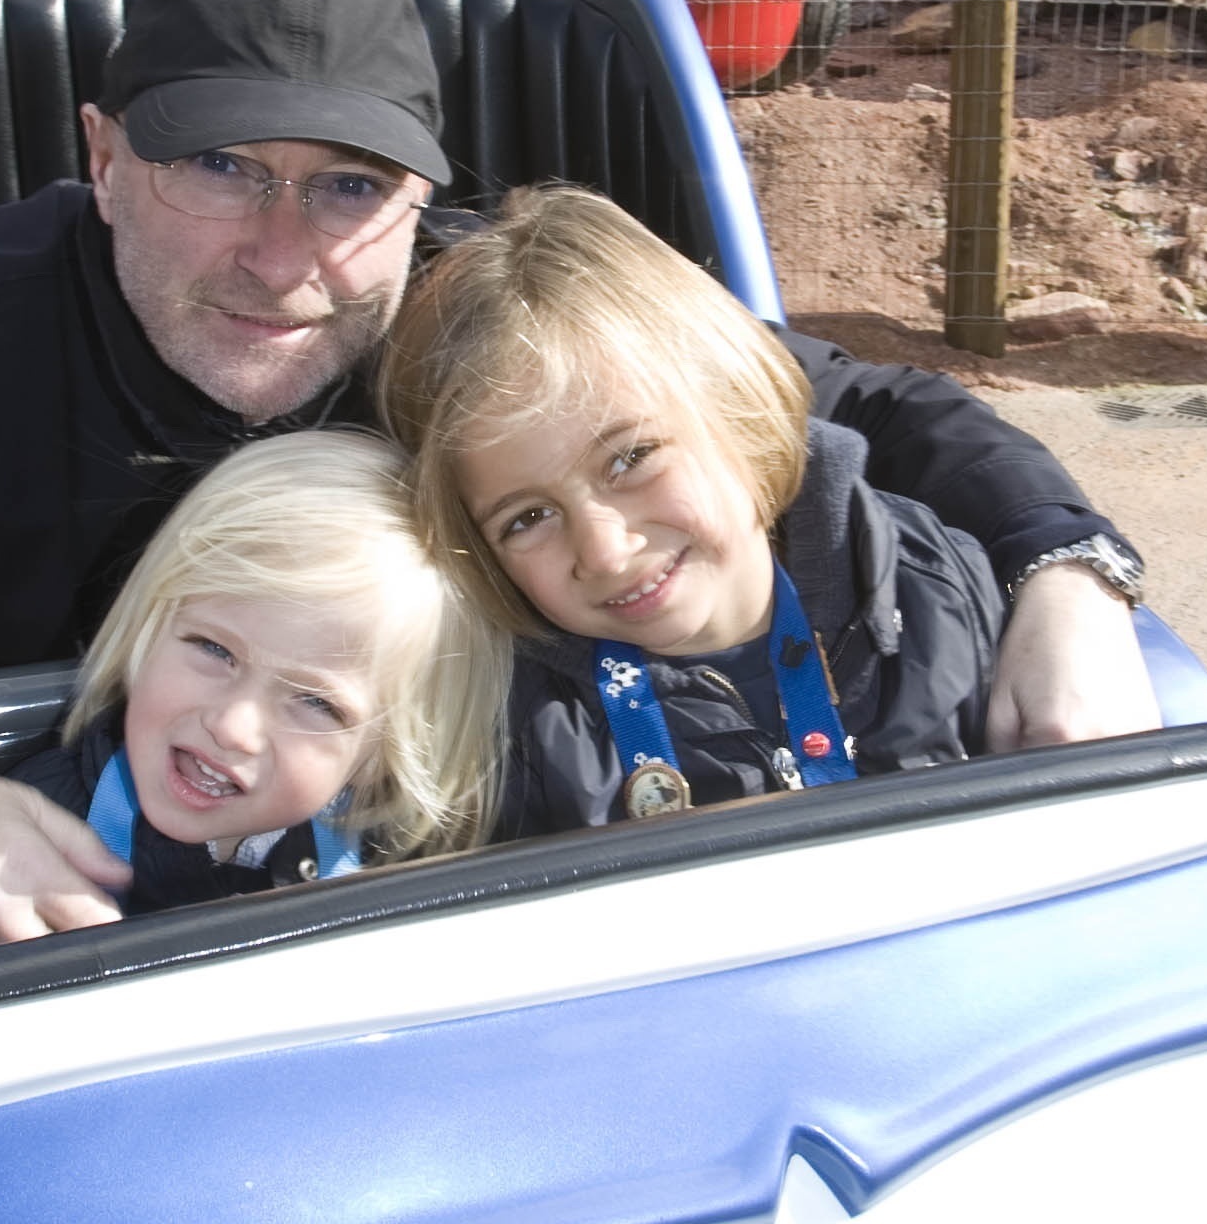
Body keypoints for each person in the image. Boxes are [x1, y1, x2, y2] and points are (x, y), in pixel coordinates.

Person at [0, 0, 1155, 973]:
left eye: (345, 189)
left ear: (417, 196)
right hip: (61, 928)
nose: (282, 254)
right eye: (216, 167)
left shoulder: (480, 316)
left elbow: (856, 410)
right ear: (101, 154)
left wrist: (1067, 576)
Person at [386, 187, 1002, 831]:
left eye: (630, 458)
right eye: (527, 518)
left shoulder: (938, 590)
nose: (605, 551)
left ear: (738, 411)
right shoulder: (507, 744)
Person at [13, 428, 503, 915]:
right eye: (214, 649)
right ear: (147, 628)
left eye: (316, 702)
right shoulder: (26, 836)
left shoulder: (385, 864)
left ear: (382, 758)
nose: (232, 727)